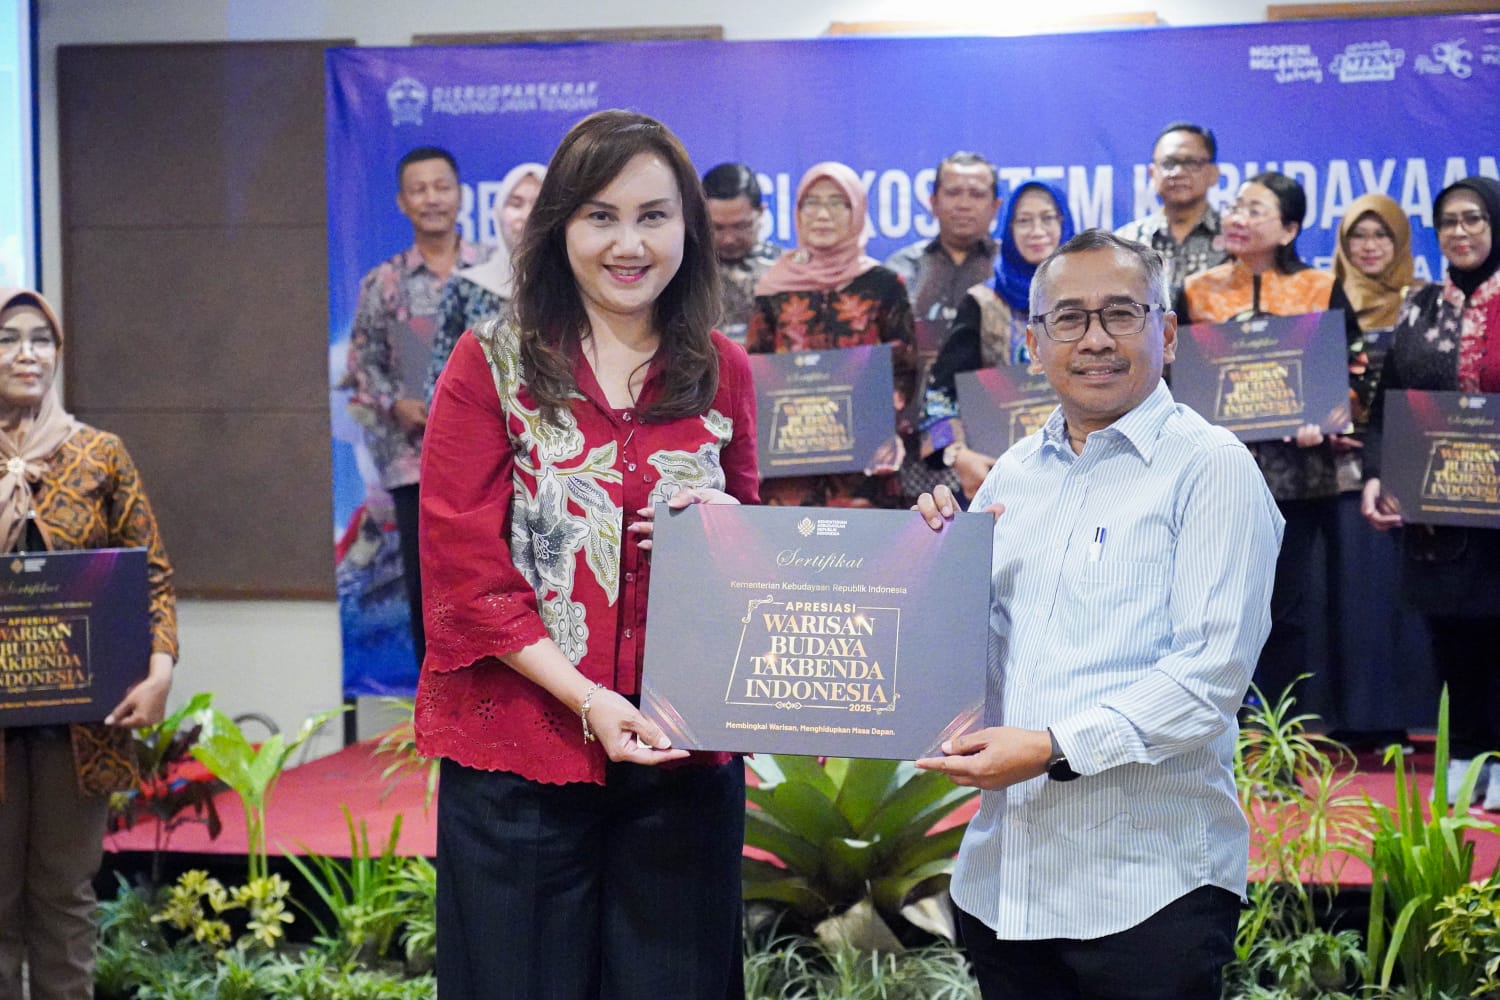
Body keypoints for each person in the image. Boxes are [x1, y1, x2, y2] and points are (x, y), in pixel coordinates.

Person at [415, 110, 758, 1000]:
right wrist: (590, 700)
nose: (628, 244)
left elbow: (754, 559)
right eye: (600, 216)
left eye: (653, 216)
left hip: (683, 760)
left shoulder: (723, 369)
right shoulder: (490, 364)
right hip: (521, 759)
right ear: (559, 226)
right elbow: (464, 578)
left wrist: (727, 530)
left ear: (689, 227)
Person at [913, 231, 1283, 999]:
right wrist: (925, 570)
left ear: (1166, 332)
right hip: (1003, 884)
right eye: (1069, 318)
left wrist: (1051, 748)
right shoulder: (1013, 475)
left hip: (1148, 891)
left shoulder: (1211, 467)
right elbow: (970, 653)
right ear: (1033, 342)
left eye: (1120, 313)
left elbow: (1207, 679)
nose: (1095, 340)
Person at [0, 288, 178, 1000]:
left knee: (65, 897)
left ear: (58, 354)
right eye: (8, 338)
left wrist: (159, 671)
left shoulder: (100, 454)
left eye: (40, 340)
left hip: (82, 723)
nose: (26, 354)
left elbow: (152, 576)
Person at [1181, 171, 1358, 714]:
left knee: (1286, 612)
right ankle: (1216, 734)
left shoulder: (1319, 288)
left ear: (1289, 229)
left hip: (1297, 478)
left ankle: (1281, 738)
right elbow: (1175, 374)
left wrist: (1327, 415)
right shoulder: (1198, 290)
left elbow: (1355, 370)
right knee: (1213, 613)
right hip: (1215, 477)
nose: (1237, 217)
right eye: (1236, 207)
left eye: (1255, 210)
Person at [1362, 177, 1500, 808]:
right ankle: (1465, 763)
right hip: (1439, 512)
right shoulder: (1419, 306)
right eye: (1448, 222)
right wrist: (1377, 475)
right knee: (1455, 642)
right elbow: (1388, 406)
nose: (1459, 232)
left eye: (1473, 219)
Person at [341, 146, 491, 666]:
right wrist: (396, 403)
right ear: (402, 203)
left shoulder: (495, 273)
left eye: (441, 187)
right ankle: (438, 701)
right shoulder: (382, 283)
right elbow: (362, 363)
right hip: (415, 463)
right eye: (419, 190)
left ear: (460, 195)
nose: (432, 199)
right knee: (428, 592)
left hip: (491, 462)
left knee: (491, 582)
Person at [747, 161, 916, 507]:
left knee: (864, 542)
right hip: (789, 470)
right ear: (797, 212)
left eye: (837, 202)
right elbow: (753, 371)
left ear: (857, 211)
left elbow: (904, 369)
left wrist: (885, 427)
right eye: (811, 202)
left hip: (864, 467)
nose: (822, 214)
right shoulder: (773, 288)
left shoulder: (884, 285)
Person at [1327, 194, 1432, 746]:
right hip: (1338, 472)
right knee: (1351, 598)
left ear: (1400, 242)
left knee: (1401, 600)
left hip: (1413, 469)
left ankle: (1410, 714)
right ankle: (1354, 717)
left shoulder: (1425, 303)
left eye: (1381, 236)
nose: (1369, 247)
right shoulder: (1325, 301)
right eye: (1358, 237)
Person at [920, 180, 1076, 499]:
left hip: (1088, 470)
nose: (1036, 231)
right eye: (1024, 220)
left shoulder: (1092, 299)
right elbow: (939, 394)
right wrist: (958, 454)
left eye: (1048, 218)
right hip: (1006, 482)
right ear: (1008, 228)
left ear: (1065, 223)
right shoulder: (983, 303)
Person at [883, 151, 1002, 504]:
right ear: (933, 202)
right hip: (915, 448)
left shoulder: (1009, 271)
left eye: (976, 194)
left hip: (995, 443)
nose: (964, 203)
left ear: (995, 206)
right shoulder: (900, 270)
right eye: (953, 192)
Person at [424, 161, 546, 401]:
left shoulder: (575, 287)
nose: (527, 215)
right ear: (499, 213)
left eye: (539, 203)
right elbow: (439, 379)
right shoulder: (466, 287)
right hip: (477, 418)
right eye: (516, 204)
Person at [1116, 122, 1227, 307]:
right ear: (1152, 173)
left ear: (1213, 173)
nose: (1178, 172)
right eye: (1168, 163)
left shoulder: (1238, 239)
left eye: (1191, 163)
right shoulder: (1125, 241)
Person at [701, 162, 780, 344]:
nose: (729, 239)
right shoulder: (682, 272)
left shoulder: (788, 270)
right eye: (717, 228)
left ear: (761, 213)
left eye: (741, 226)